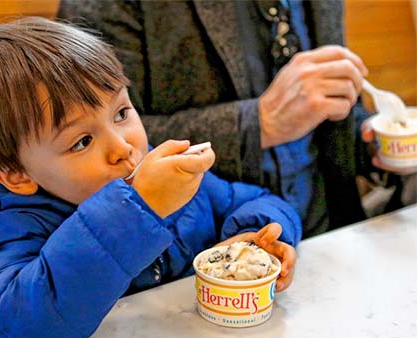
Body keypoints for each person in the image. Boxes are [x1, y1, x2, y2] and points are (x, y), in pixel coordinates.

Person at [0, 17, 302, 338]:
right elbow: (28, 318)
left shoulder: (170, 176)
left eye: (121, 113)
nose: (122, 147)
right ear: (17, 175)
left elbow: (257, 200)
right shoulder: (13, 221)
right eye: (82, 141)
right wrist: (137, 208)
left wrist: (260, 235)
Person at [57, 0, 414, 237]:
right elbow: (99, 141)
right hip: (205, 258)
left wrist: (373, 141)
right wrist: (259, 123)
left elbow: (322, 115)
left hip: (331, 236)